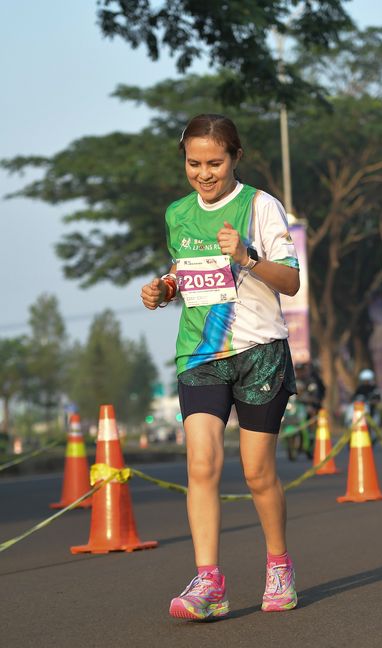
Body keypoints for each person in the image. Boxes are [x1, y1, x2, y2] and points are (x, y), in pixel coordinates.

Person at [141, 113, 300, 620]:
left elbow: (291, 282)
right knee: (201, 464)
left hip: (259, 351)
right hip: (200, 353)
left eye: (214, 163)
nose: (204, 173)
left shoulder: (260, 206)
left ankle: (279, 566)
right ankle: (208, 581)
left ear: (235, 158)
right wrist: (164, 288)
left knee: (257, 472)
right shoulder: (178, 213)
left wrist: (248, 256)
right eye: (194, 163)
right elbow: (184, 271)